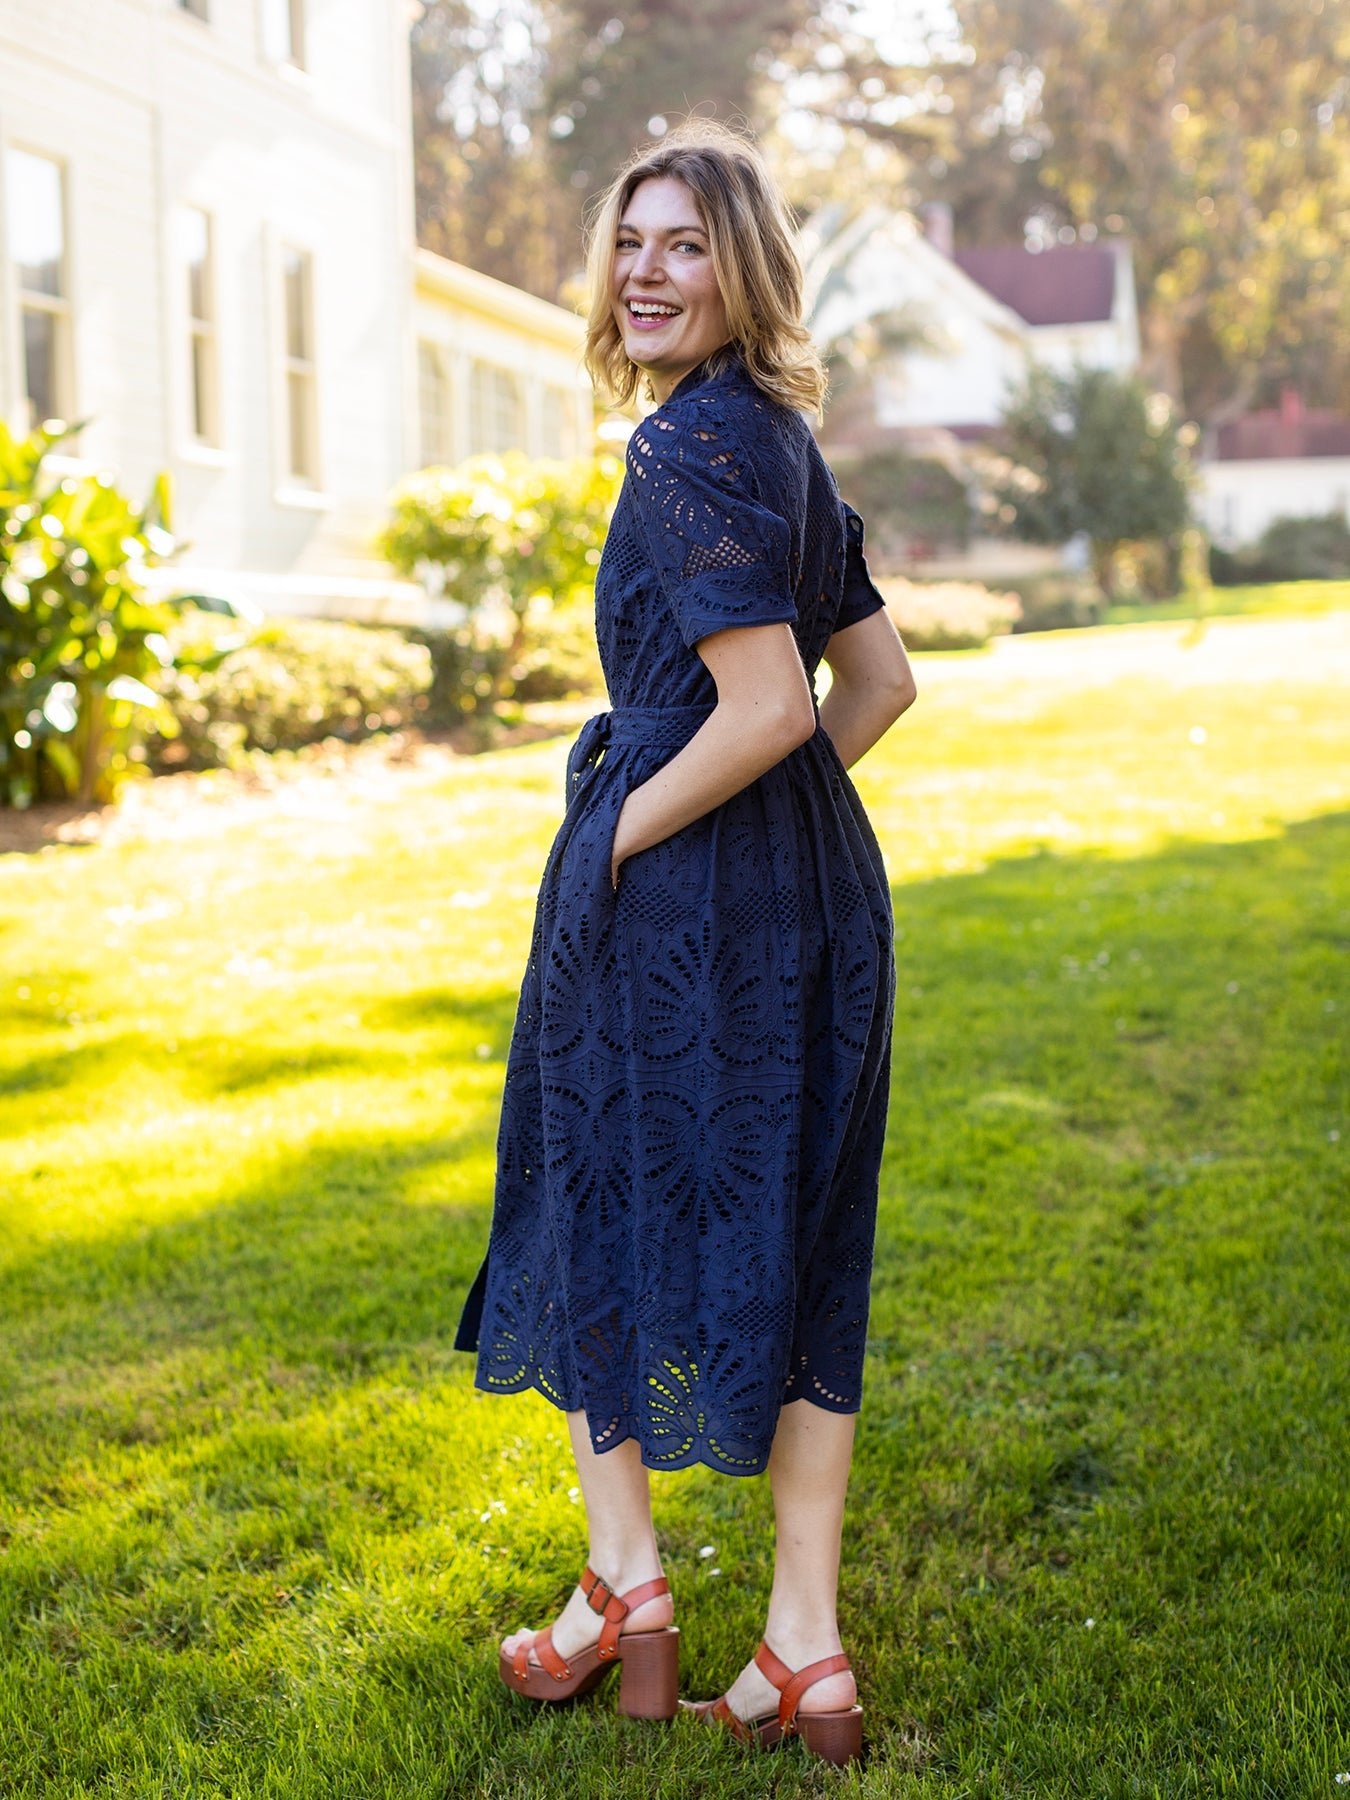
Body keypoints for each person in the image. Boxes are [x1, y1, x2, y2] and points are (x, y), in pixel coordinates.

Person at [453, 119, 916, 1765]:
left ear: (744, 270)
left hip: (675, 918)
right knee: (799, 1248)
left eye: (686, 245)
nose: (646, 273)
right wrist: (771, 844)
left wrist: (622, 842)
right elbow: (875, 695)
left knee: (587, 1211)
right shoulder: (785, 447)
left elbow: (769, 704)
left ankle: (622, 1587)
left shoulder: (679, 454)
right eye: (629, 243)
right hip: (815, 910)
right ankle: (802, 1650)